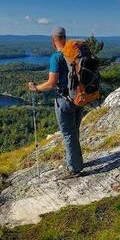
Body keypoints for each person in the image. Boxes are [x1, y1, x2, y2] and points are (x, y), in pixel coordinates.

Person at [27, 26, 84, 178]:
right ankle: (76, 162)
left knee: (68, 134)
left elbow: (52, 83)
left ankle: (74, 168)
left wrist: (36, 88)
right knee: (74, 131)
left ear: (53, 40)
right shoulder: (76, 53)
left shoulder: (57, 57)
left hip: (64, 100)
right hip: (80, 97)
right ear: (65, 37)